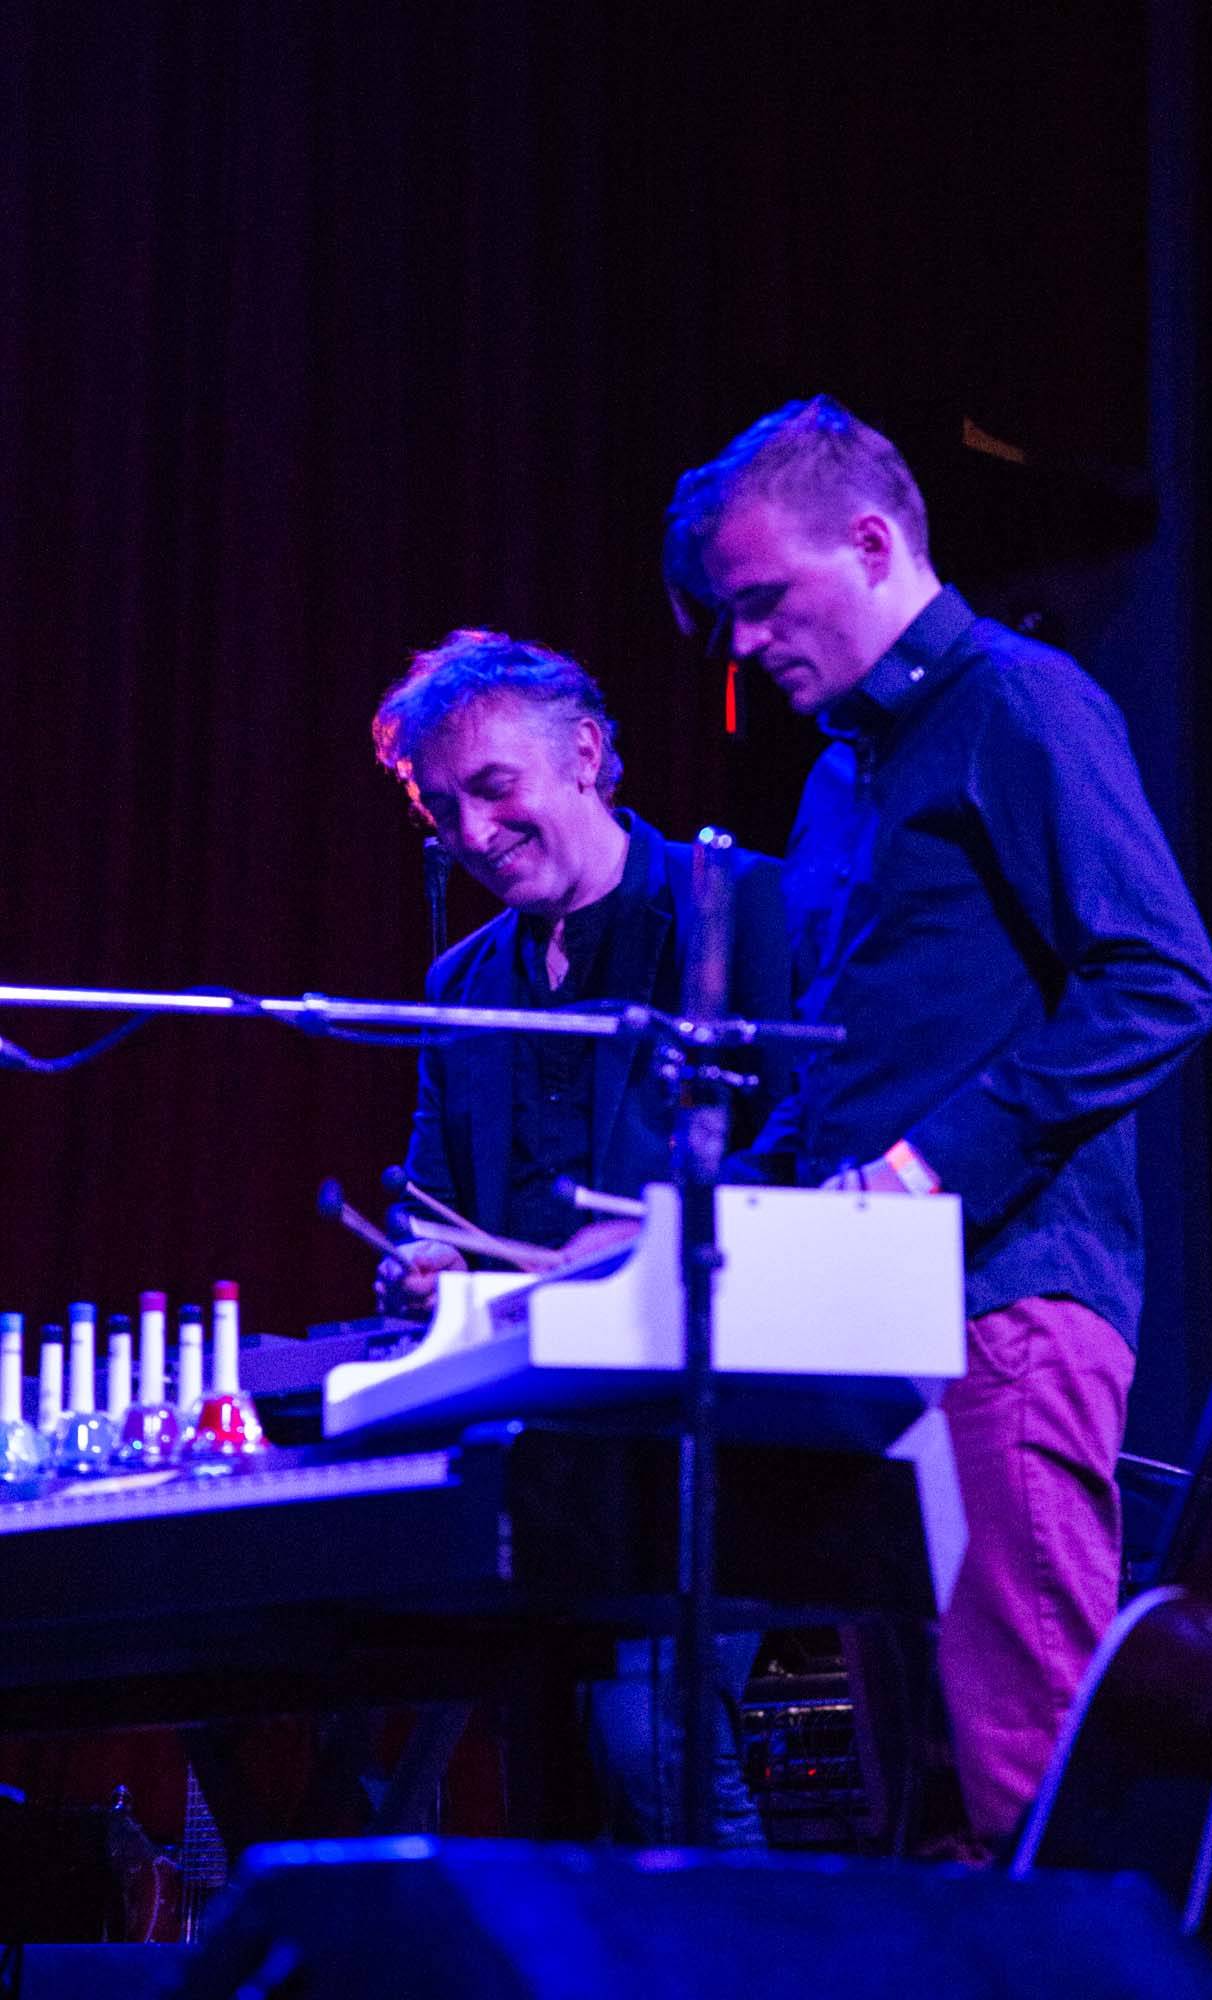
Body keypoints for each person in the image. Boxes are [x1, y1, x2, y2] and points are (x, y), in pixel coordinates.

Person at [664, 396, 1212, 1847]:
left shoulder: (1020, 702)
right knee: (911, 1800)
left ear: (871, 543)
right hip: (869, 1324)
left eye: (761, 601)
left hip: (1003, 1305)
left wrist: (926, 1168)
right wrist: (710, 1218)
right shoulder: (837, 774)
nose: (742, 646)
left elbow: (1163, 978)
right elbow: (843, 1061)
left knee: (1026, 1778)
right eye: (727, 617)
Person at [371, 627, 790, 1842]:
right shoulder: (462, 981)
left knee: (650, 1741)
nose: (474, 830)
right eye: (443, 808)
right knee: (552, 1773)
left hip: (704, 1397)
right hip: (541, 1418)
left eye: (494, 786)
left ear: (587, 755)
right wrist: (425, 1260)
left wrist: (660, 1237)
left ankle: (756, 1943)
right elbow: (435, 1190)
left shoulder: (742, 908)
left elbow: (812, 1139)